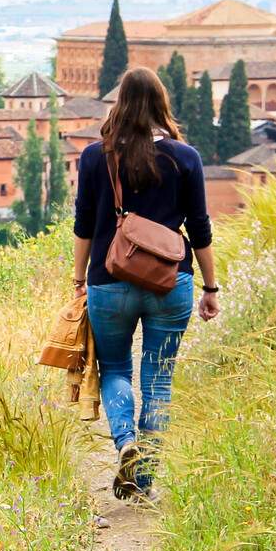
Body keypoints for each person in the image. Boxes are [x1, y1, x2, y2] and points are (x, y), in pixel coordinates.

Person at [72, 66, 219, 498]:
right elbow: (201, 228)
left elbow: (83, 225)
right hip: (170, 283)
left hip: (108, 279)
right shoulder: (184, 157)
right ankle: (145, 479)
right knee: (159, 377)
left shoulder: (94, 157)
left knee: (114, 367)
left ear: (119, 104)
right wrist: (211, 288)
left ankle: (126, 443)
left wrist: (78, 279)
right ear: (161, 103)